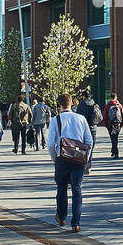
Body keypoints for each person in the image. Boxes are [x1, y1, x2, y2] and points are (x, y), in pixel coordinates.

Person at [48, 93, 93, 232]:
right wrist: (85, 158)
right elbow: (89, 141)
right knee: (77, 189)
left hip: (62, 158)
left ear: (59, 105)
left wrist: (55, 159)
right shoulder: (81, 118)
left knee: (61, 188)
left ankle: (61, 217)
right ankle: (76, 223)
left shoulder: (56, 120)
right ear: (71, 103)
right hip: (79, 158)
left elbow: (50, 144)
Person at [75, 89, 101, 170]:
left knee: (82, 148)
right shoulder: (94, 104)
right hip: (93, 128)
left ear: (83, 96)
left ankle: (83, 165)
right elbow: (100, 117)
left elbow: (77, 118)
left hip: (83, 129)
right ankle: (89, 164)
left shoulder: (81, 105)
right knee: (90, 147)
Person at [103, 92, 123, 158]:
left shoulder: (108, 105)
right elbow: (122, 115)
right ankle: (115, 152)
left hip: (110, 124)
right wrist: (122, 123)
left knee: (113, 138)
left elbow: (105, 115)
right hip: (117, 124)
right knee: (116, 138)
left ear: (110, 98)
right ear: (116, 97)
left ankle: (115, 152)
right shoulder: (119, 105)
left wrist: (106, 124)